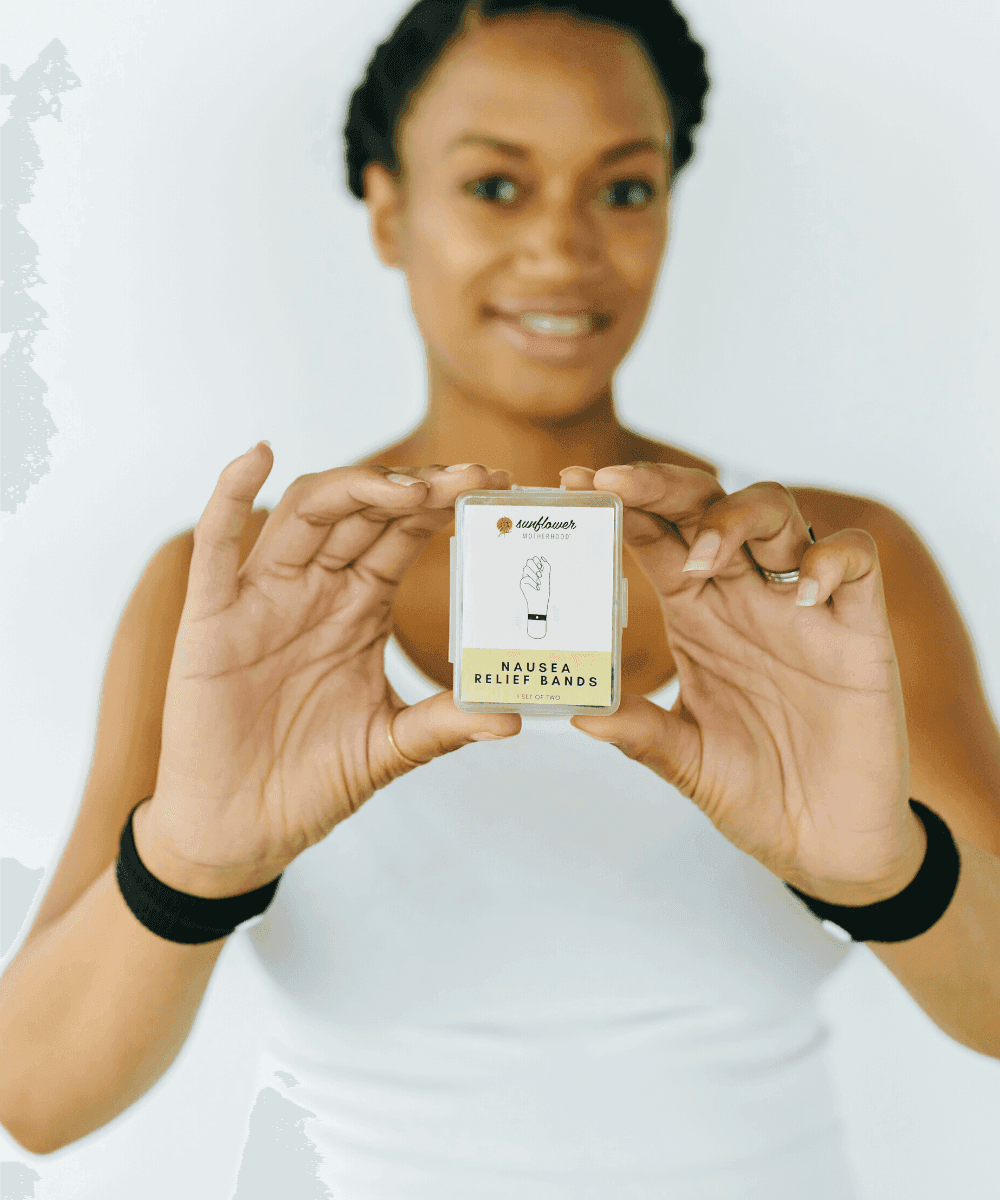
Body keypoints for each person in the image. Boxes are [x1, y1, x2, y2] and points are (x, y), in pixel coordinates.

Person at [2, 0, 999, 1194]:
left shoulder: (823, 576)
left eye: (622, 190)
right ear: (384, 204)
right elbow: (36, 1100)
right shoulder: (240, 599)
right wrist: (191, 866)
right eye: (494, 186)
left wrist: (889, 874)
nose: (564, 251)